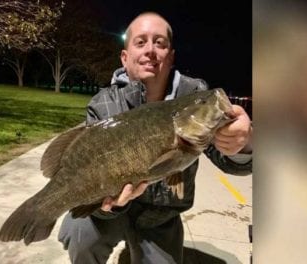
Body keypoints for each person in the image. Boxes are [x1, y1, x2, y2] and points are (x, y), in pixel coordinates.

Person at [58, 12, 252, 264]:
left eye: (160, 43)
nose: (150, 50)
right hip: (110, 214)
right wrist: (110, 205)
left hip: (160, 217)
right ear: (125, 59)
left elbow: (229, 160)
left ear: (171, 57)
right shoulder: (103, 104)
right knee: (80, 232)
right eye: (140, 42)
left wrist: (245, 141)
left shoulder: (195, 99)